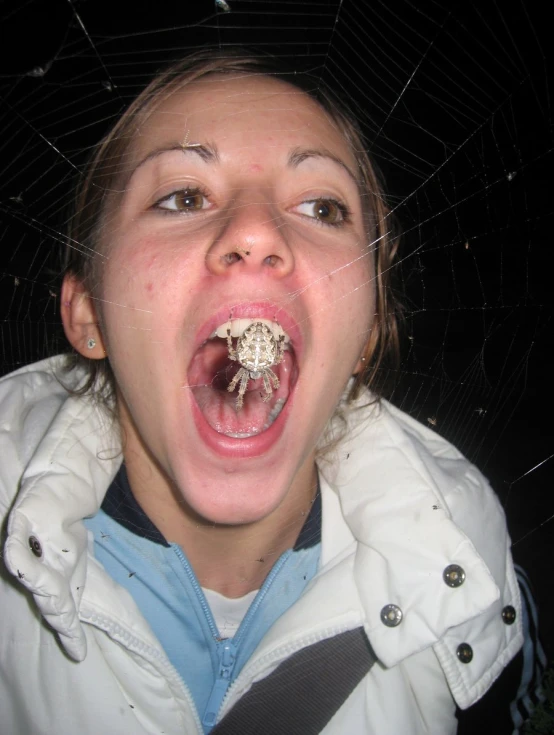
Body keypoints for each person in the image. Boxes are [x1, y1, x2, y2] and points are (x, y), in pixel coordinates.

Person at [0, 50, 523, 734]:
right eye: (183, 196)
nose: (254, 233)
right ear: (89, 314)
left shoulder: (466, 569)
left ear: (366, 336)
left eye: (321, 205)